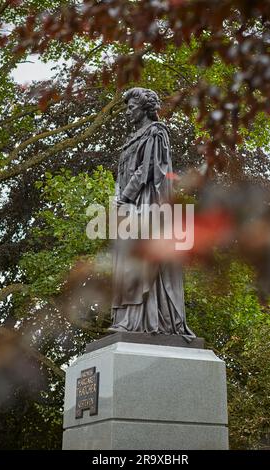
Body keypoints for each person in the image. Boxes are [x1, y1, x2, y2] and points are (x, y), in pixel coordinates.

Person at [109, 87, 195, 339]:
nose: (127, 112)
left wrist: (125, 197)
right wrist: (118, 197)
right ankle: (126, 318)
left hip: (146, 202)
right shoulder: (131, 139)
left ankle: (138, 321)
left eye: (131, 108)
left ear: (144, 108)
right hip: (129, 205)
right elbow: (122, 174)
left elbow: (148, 170)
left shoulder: (156, 134)